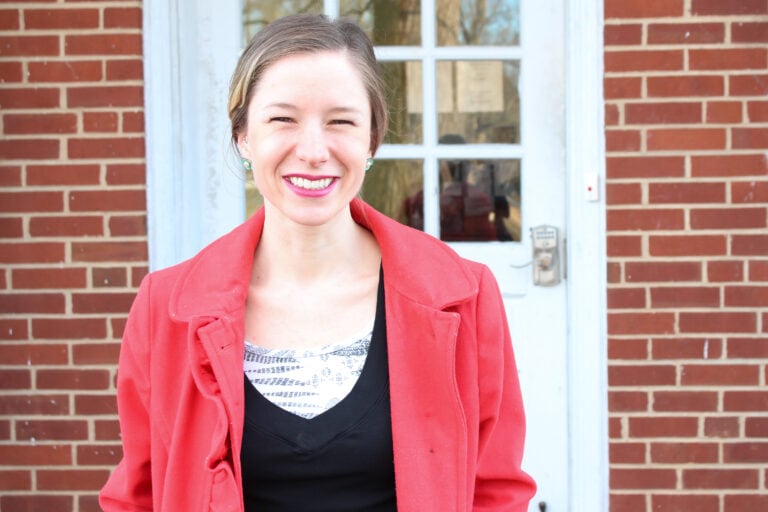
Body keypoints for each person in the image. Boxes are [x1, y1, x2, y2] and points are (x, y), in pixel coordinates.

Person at [99, 13, 535, 512]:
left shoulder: (463, 297)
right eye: (282, 119)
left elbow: (496, 491)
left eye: (341, 121)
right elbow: (137, 495)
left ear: (372, 139)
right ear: (244, 136)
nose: (312, 151)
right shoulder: (166, 310)